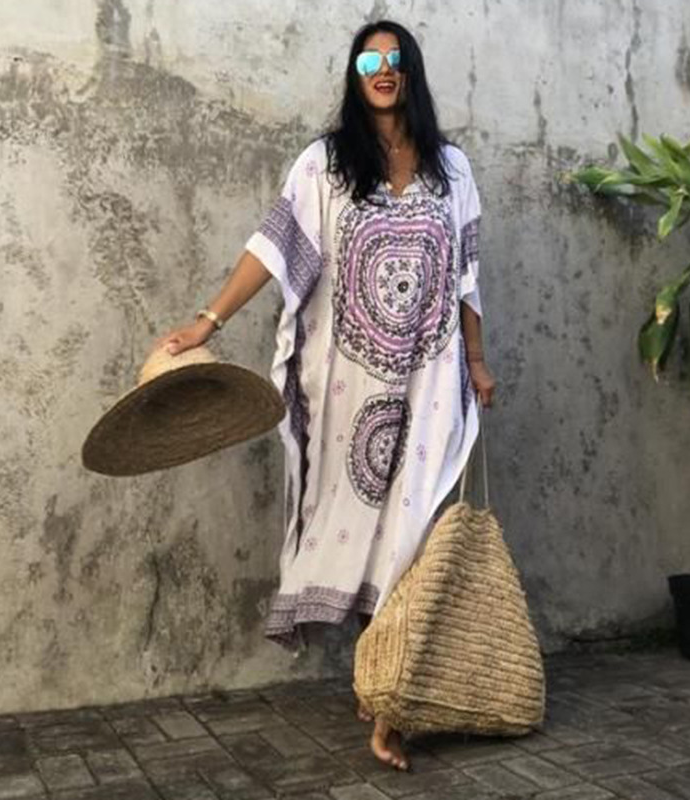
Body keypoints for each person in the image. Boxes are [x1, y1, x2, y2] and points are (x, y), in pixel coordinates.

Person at [159, 19, 495, 771]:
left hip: (430, 381)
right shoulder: (325, 165)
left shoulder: (452, 169)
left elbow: (468, 274)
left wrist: (476, 360)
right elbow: (274, 248)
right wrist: (209, 319)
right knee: (358, 528)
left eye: (395, 58)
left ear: (411, 71)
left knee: (411, 534)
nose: (383, 69)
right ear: (355, 75)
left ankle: (386, 699)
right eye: (369, 61)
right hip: (350, 388)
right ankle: (380, 679)